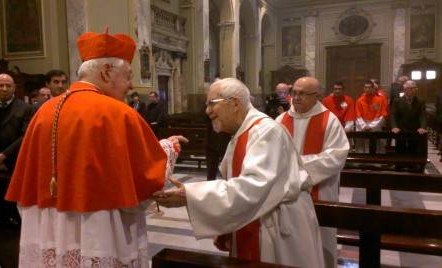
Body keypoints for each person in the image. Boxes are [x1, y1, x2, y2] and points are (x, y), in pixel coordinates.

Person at [5, 30, 186, 267]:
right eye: (128, 75)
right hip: (100, 229)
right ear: (106, 71)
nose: (131, 85)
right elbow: (148, 175)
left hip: (51, 225)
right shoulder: (118, 112)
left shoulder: (45, 111)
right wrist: (170, 146)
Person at [156, 78, 324, 267]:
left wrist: (190, 195)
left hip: (275, 227)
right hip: (255, 219)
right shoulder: (242, 132)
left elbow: (251, 187)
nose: (207, 110)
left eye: (212, 103)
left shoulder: (265, 132)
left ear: (235, 103)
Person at [276, 77, 349, 268]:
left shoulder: (329, 120)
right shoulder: (281, 119)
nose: (297, 98)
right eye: (294, 92)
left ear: (316, 96)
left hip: (320, 189)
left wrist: (297, 167)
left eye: (303, 93)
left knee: (322, 241)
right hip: (288, 195)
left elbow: (336, 155)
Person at [391, 80, 427, 155]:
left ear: (416, 89)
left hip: (415, 129)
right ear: (404, 89)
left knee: (413, 148)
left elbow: (423, 116)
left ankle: (412, 166)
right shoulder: (397, 101)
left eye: (413, 88)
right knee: (400, 149)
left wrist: (423, 127)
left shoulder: (420, 101)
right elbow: (393, 115)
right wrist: (394, 126)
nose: (411, 90)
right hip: (401, 129)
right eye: (409, 88)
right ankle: (400, 165)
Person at [355, 80, 388, 153]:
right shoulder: (359, 100)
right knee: (362, 143)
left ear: (373, 89)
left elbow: (381, 115)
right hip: (362, 125)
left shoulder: (380, 100)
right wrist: (364, 126)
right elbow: (358, 115)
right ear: (363, 89)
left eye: (369, 87)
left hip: (375, 125)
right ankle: (361, 161)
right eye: (366, 87)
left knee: (376, 142)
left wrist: (371, 126)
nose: (367, 89)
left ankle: (377, 162)